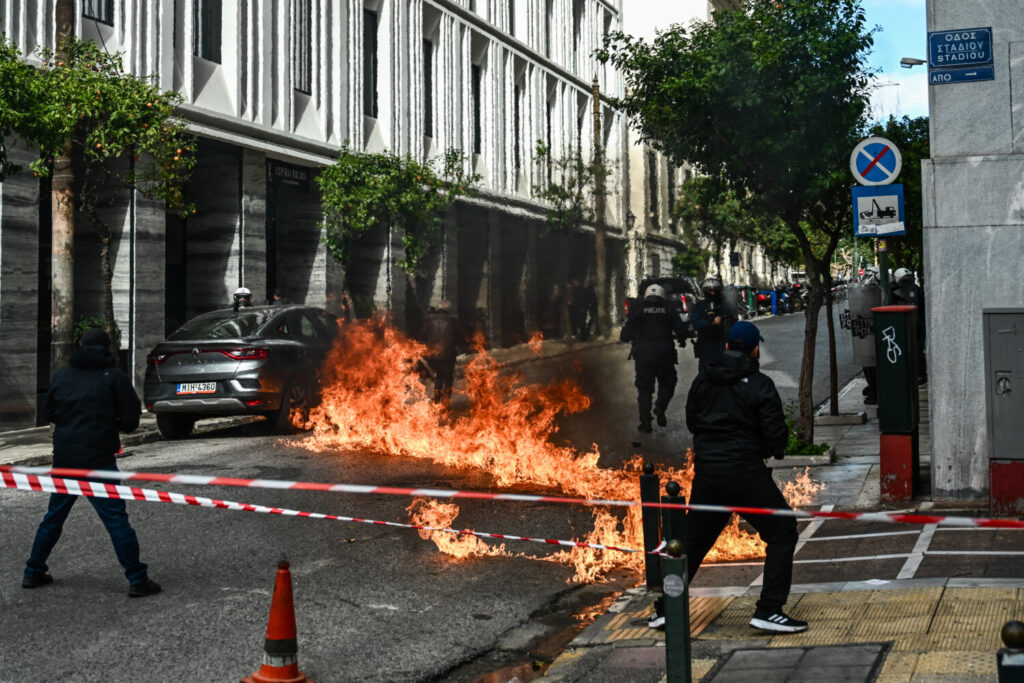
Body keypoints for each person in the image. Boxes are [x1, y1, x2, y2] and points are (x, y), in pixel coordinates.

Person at [683, 321, 806, 633]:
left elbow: (692, 421)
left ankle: (665, 608)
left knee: (692, 543)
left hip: (709, 474)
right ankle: (769, 609)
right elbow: (776, 435)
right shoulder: (760, 383)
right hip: (747, 473)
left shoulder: (703, 379)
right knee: (782, 531)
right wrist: (765, 449)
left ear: (727, 346)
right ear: (754, 349)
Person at [23, 328, 161, 597]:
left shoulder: (62, 376)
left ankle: (33, 571)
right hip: (98, 459)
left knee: (53, 518)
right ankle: (137, 578)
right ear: (106, 347)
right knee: (116, 520)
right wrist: (112, 425)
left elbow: (49, 411)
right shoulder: (114, 378)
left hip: (65, 459)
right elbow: (131, 419)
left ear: (81, 347)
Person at [619, 283, 688, 433]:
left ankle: (645, 423)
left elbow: (624, 335)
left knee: (644, 390)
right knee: (669, 382)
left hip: (643, 356)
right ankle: (660, 406)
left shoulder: (639, 311)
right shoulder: (668, 310)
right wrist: (682, 339)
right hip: (665, 355)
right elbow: (681, 330)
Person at [691, 276, 737, 372]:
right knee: (704, 375)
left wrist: (724, 320)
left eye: (714, 291)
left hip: (722, 344)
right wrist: (711, 323)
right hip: (706, 344)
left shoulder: (725, 305)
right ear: (705, 291)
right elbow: (695, 323)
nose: (712, 293)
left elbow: (733, 320)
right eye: (709, 291)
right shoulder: (700, 306)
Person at [892, 267, 927, 385]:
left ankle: (920, 374)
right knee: (917, 350)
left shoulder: (909, 290)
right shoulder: (914, 289)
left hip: (915, 324)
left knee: (916, 350)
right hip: (916, 324)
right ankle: (919, 374)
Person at [421, 300, 460, 404]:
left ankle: (437, 398)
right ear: (449, 310)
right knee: (447, 378)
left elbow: (423, 336)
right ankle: (446, 400)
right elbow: (460, 337)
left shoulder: (429, 320)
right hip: (448, 354)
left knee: (438, 376)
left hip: (433, 355)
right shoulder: (453, 321)